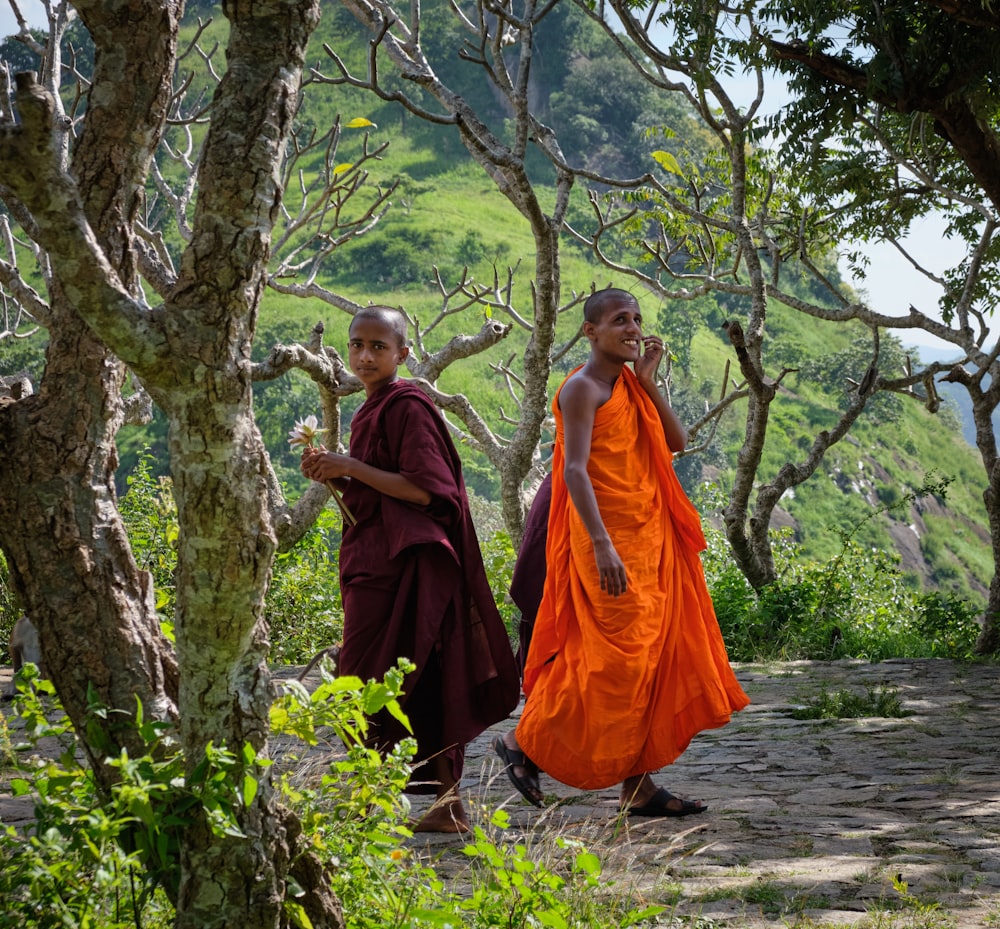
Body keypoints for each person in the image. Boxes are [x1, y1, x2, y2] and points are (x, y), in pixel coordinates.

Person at [495, 287, 750, 816]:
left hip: (649, 540)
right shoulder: (582, 389)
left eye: (636, 319)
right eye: (619, 320)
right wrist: (603, 544)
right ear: (591, 331)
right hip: (604, 542)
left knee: (647, 660)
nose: (633, 328)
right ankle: (523, 743)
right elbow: (574, 469)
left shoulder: (630, 387)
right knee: (611, 662)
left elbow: (675, 441)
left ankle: (638, 786)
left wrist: (649, 383)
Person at [301, 305, 520, 833]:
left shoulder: (409, 405)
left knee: (370, 678)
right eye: (357, 344)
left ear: (403, 353)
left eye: (379, 346)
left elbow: (426, 490)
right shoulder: (368, 410)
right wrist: (337, 475)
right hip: (375, 562)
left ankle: (384, 803)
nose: (365, 355)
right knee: (401, 680)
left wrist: (350, 466)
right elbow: (380, 490)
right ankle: (439, 806)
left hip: (408, 567)